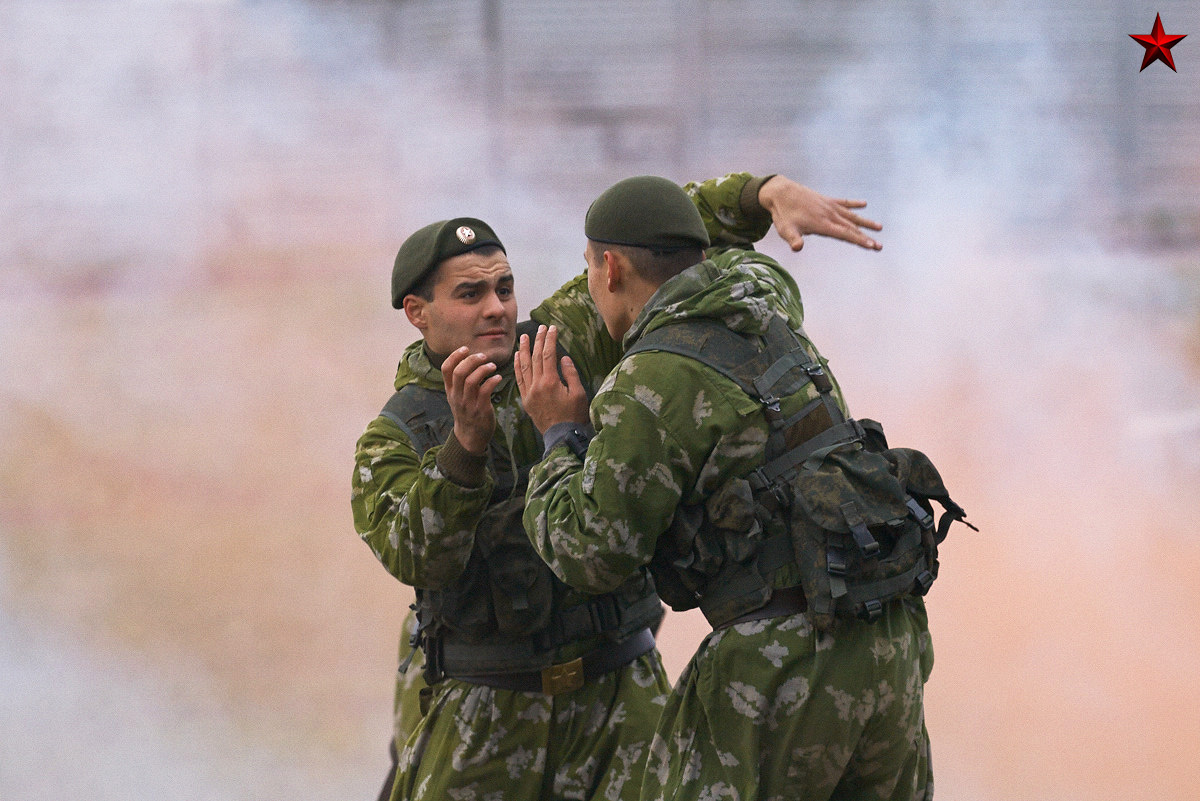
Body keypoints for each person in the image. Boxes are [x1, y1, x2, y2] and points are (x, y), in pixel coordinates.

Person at [353, 173, 886, 801]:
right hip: (489, 711)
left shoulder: (562, 342)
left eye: (504, 287)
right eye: (469, 294)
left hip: (622, 694)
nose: (496, 308)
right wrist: (465, 452)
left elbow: (654, 235)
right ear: (418, 313)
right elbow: (417, 555)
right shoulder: (398, 435)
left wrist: (758, 194)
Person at [515, 176, 971, 801]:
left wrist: (558, 435)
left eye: (589, 269)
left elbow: (591, 554)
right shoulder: (767, 298)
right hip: (887, 636)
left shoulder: (648, 381)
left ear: (612, 267)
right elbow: (737, 253)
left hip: (782, 664)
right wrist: (761, 193)